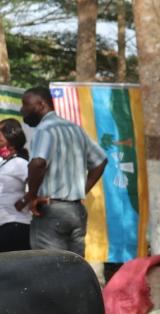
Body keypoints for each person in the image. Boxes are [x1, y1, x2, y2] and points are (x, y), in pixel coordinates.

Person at [17, 87, 107, 255]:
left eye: (25, 104)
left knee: (49, 268)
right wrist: (81, 190)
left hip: (51, 211)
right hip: (76, 212)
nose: (22, 110)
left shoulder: (44, 129)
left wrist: (33, 196)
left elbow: (37, 163)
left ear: (41, 105)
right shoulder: (75, 129)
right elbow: (101, 161)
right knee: (73, 268)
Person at [0, 119, 31, 252]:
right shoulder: (4, 162)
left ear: (11, 139)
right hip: (4, 224)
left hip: (15, 225)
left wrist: (24, 201)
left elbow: (39, 185)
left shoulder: (20, 163)